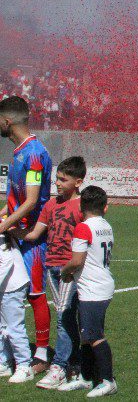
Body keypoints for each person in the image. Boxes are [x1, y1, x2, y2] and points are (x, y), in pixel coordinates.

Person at [19, 156, 86, 390]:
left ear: (78, 182)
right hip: (52, 268)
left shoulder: (83, 207)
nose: (57, 183)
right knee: (67, 317)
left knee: (64, 317)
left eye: (63, 179)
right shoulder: (50, 205)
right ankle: (75, 365)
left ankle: (58, 365)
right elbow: (35, 234)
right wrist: (11, 229)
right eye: (56, 178)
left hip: (71, 269)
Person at [0, 95, 54, 374]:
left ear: (7, 121)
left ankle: (42, 356)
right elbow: (16, 197)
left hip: (33, 237)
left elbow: (32, 201)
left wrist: (3, 225)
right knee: (9, 293)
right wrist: (4, 216)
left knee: (35, 294)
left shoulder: (33, 153)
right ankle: (10, 352)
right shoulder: (19, 151)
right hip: (17, 233)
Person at [63, 185, 117, 397]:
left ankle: (108, 381)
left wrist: (64, 271)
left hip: (93, 289)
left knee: (94, 335)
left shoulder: (83, 227)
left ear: (80, 208)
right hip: (100, 285)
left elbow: (77, 260)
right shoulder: (106, 225)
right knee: (86, 335)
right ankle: (86, 378)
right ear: (105, 208)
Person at [0, 230, 33, 382]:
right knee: (2, 327)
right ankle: (4, 362)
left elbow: (6, 262)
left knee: (14, 327)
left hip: (13, 286)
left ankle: (24, 366)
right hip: (5, 286)